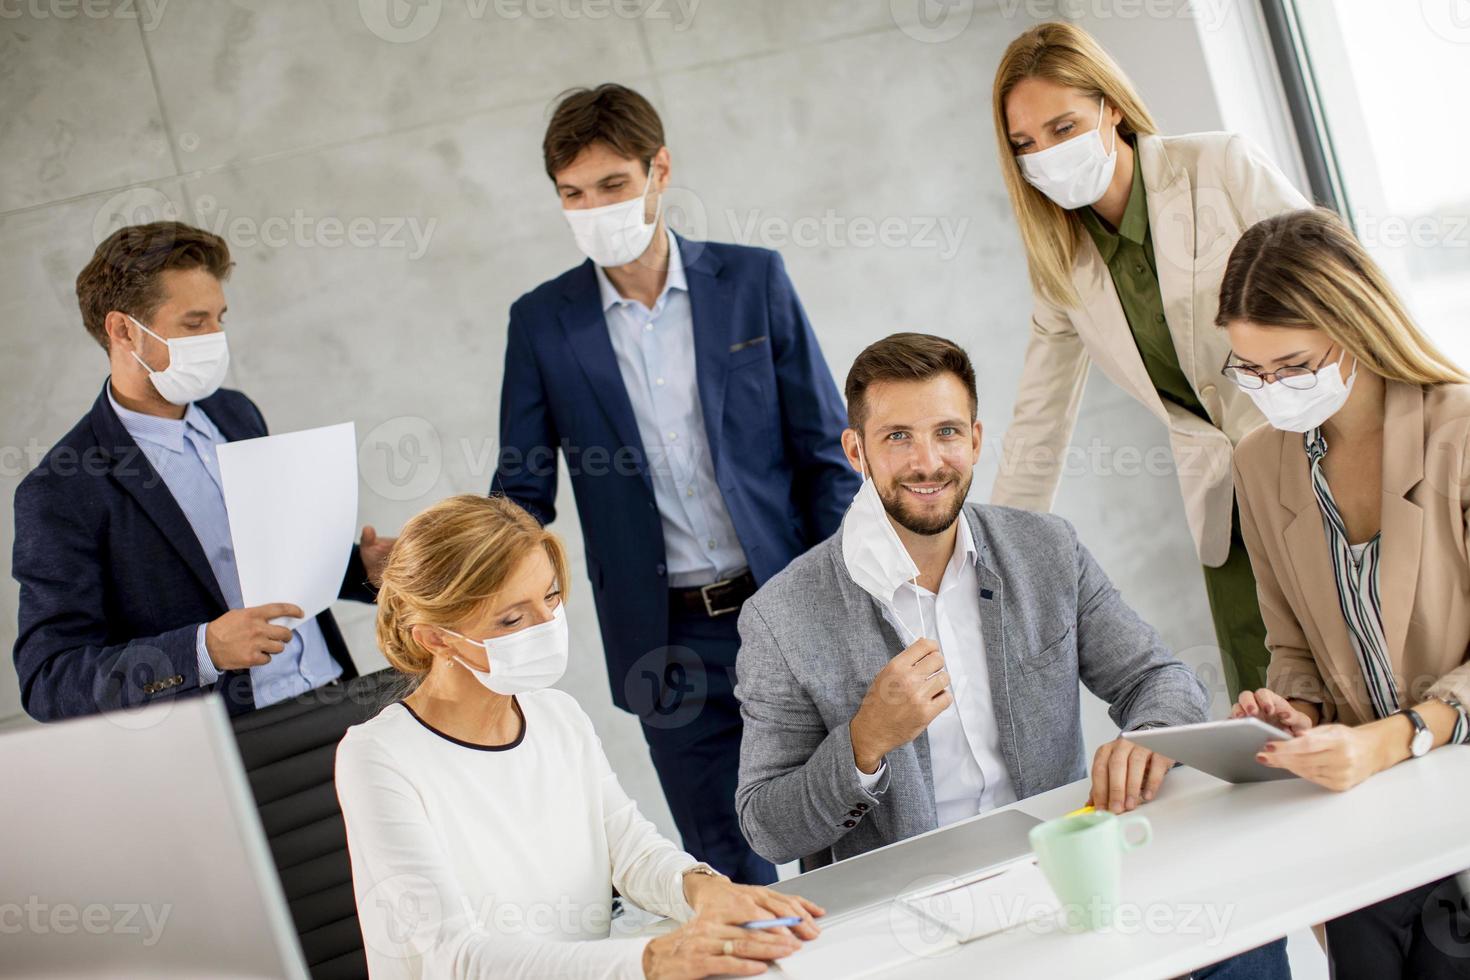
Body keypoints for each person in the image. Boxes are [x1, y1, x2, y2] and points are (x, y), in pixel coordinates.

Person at [734, 333, 1288, 976]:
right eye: (897, 437)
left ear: (974, 438)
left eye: (945, 432)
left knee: (1244, 940)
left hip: (1062, 868)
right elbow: (767, 826)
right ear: (856, 450)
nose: (927, 461)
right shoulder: (782, 616)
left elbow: (1155, 678)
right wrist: (863, 742)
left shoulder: (1046, 549)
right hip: (917, 920)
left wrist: (1154, 736)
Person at [491, 83, 857, 885]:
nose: (594, 209)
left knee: (849, 826)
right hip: (663, 637)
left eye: (612, 185)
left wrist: (839, 591)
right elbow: (521, 490)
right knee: (726, 862)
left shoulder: (753, 281)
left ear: (660, 170)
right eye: (572, 195)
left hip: (787, 603)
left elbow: (826, 454)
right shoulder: (541, 322)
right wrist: (449, 562)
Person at [335, 493, 823, 979]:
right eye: (512, 618)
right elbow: (458, 957)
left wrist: (707, 889)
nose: (547, 626)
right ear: (436, 638)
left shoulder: (557, 716)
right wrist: (652, 960)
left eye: (550, 598)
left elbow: (631, 850)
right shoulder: (378, 757)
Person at [987, 21, 1310, 702]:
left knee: (1372, 691)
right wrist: (992, 570)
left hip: (1318, 477)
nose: (1046, 154)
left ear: (1113, 109)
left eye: (1062, 127)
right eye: (1025, 144)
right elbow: (1037, 423)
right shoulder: (1063, 264)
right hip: (1229, 519)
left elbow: (1340, 297)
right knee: (1273, 717)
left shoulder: (1219, 168)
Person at [1220, 208, 1470, 978]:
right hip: (1372, 826)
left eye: (1292, 365)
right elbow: (1291, 643)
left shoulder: (1458, 431)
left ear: (1353, 328)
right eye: (1250, 371)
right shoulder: (1260, 465)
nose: (1272, 390)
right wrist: (1305, 715)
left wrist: (1393, 738)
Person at [12, 222, 391, 721]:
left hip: (340, 694)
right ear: (123, 330)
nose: (216, 338)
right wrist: (202, 650)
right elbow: (51, 680)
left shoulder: (235, 413)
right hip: (235, 738)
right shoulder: (62, 488)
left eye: (220, 318)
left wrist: (360, 569)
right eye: (194, 324)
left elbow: (256, 566)